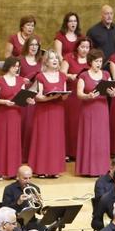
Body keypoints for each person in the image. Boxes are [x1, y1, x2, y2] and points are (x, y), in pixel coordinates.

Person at [0, 57, 33, 181]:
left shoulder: (21, 81)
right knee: (2, 141)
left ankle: (14, 171)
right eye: (15, 66)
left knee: (14, 142)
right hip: (3, 114)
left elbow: (24, 97)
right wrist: (4, 102)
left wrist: (29, 100)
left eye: (18, 66)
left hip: (15, 114)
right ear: (8, 66)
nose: (17, 68)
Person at [75, 49, 115, 176]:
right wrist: (88, 96)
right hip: (88, 109)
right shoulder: (84, 75)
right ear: (90, 62)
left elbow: (113, 93)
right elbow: (79, 94)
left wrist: (111, 93)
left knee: (101, 138)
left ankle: (101, 168)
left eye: (100, 61)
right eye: (96, 61)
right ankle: (86, 169)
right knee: (88, 137)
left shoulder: (106, 75)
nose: (99, 64)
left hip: (102, 109)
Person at [30, 50, 68, 178]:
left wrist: (64, 95)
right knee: (43, 139)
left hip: (58, 111)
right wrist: (51, 98)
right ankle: (41, 169)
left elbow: (64, 96)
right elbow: (38, 97)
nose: (55, 60)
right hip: (44, 111)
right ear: (46, 61)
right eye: (51, 58)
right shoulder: (40, 76)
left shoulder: (62, 76)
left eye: (56, 58)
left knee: (55, 139)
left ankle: (54, 169)